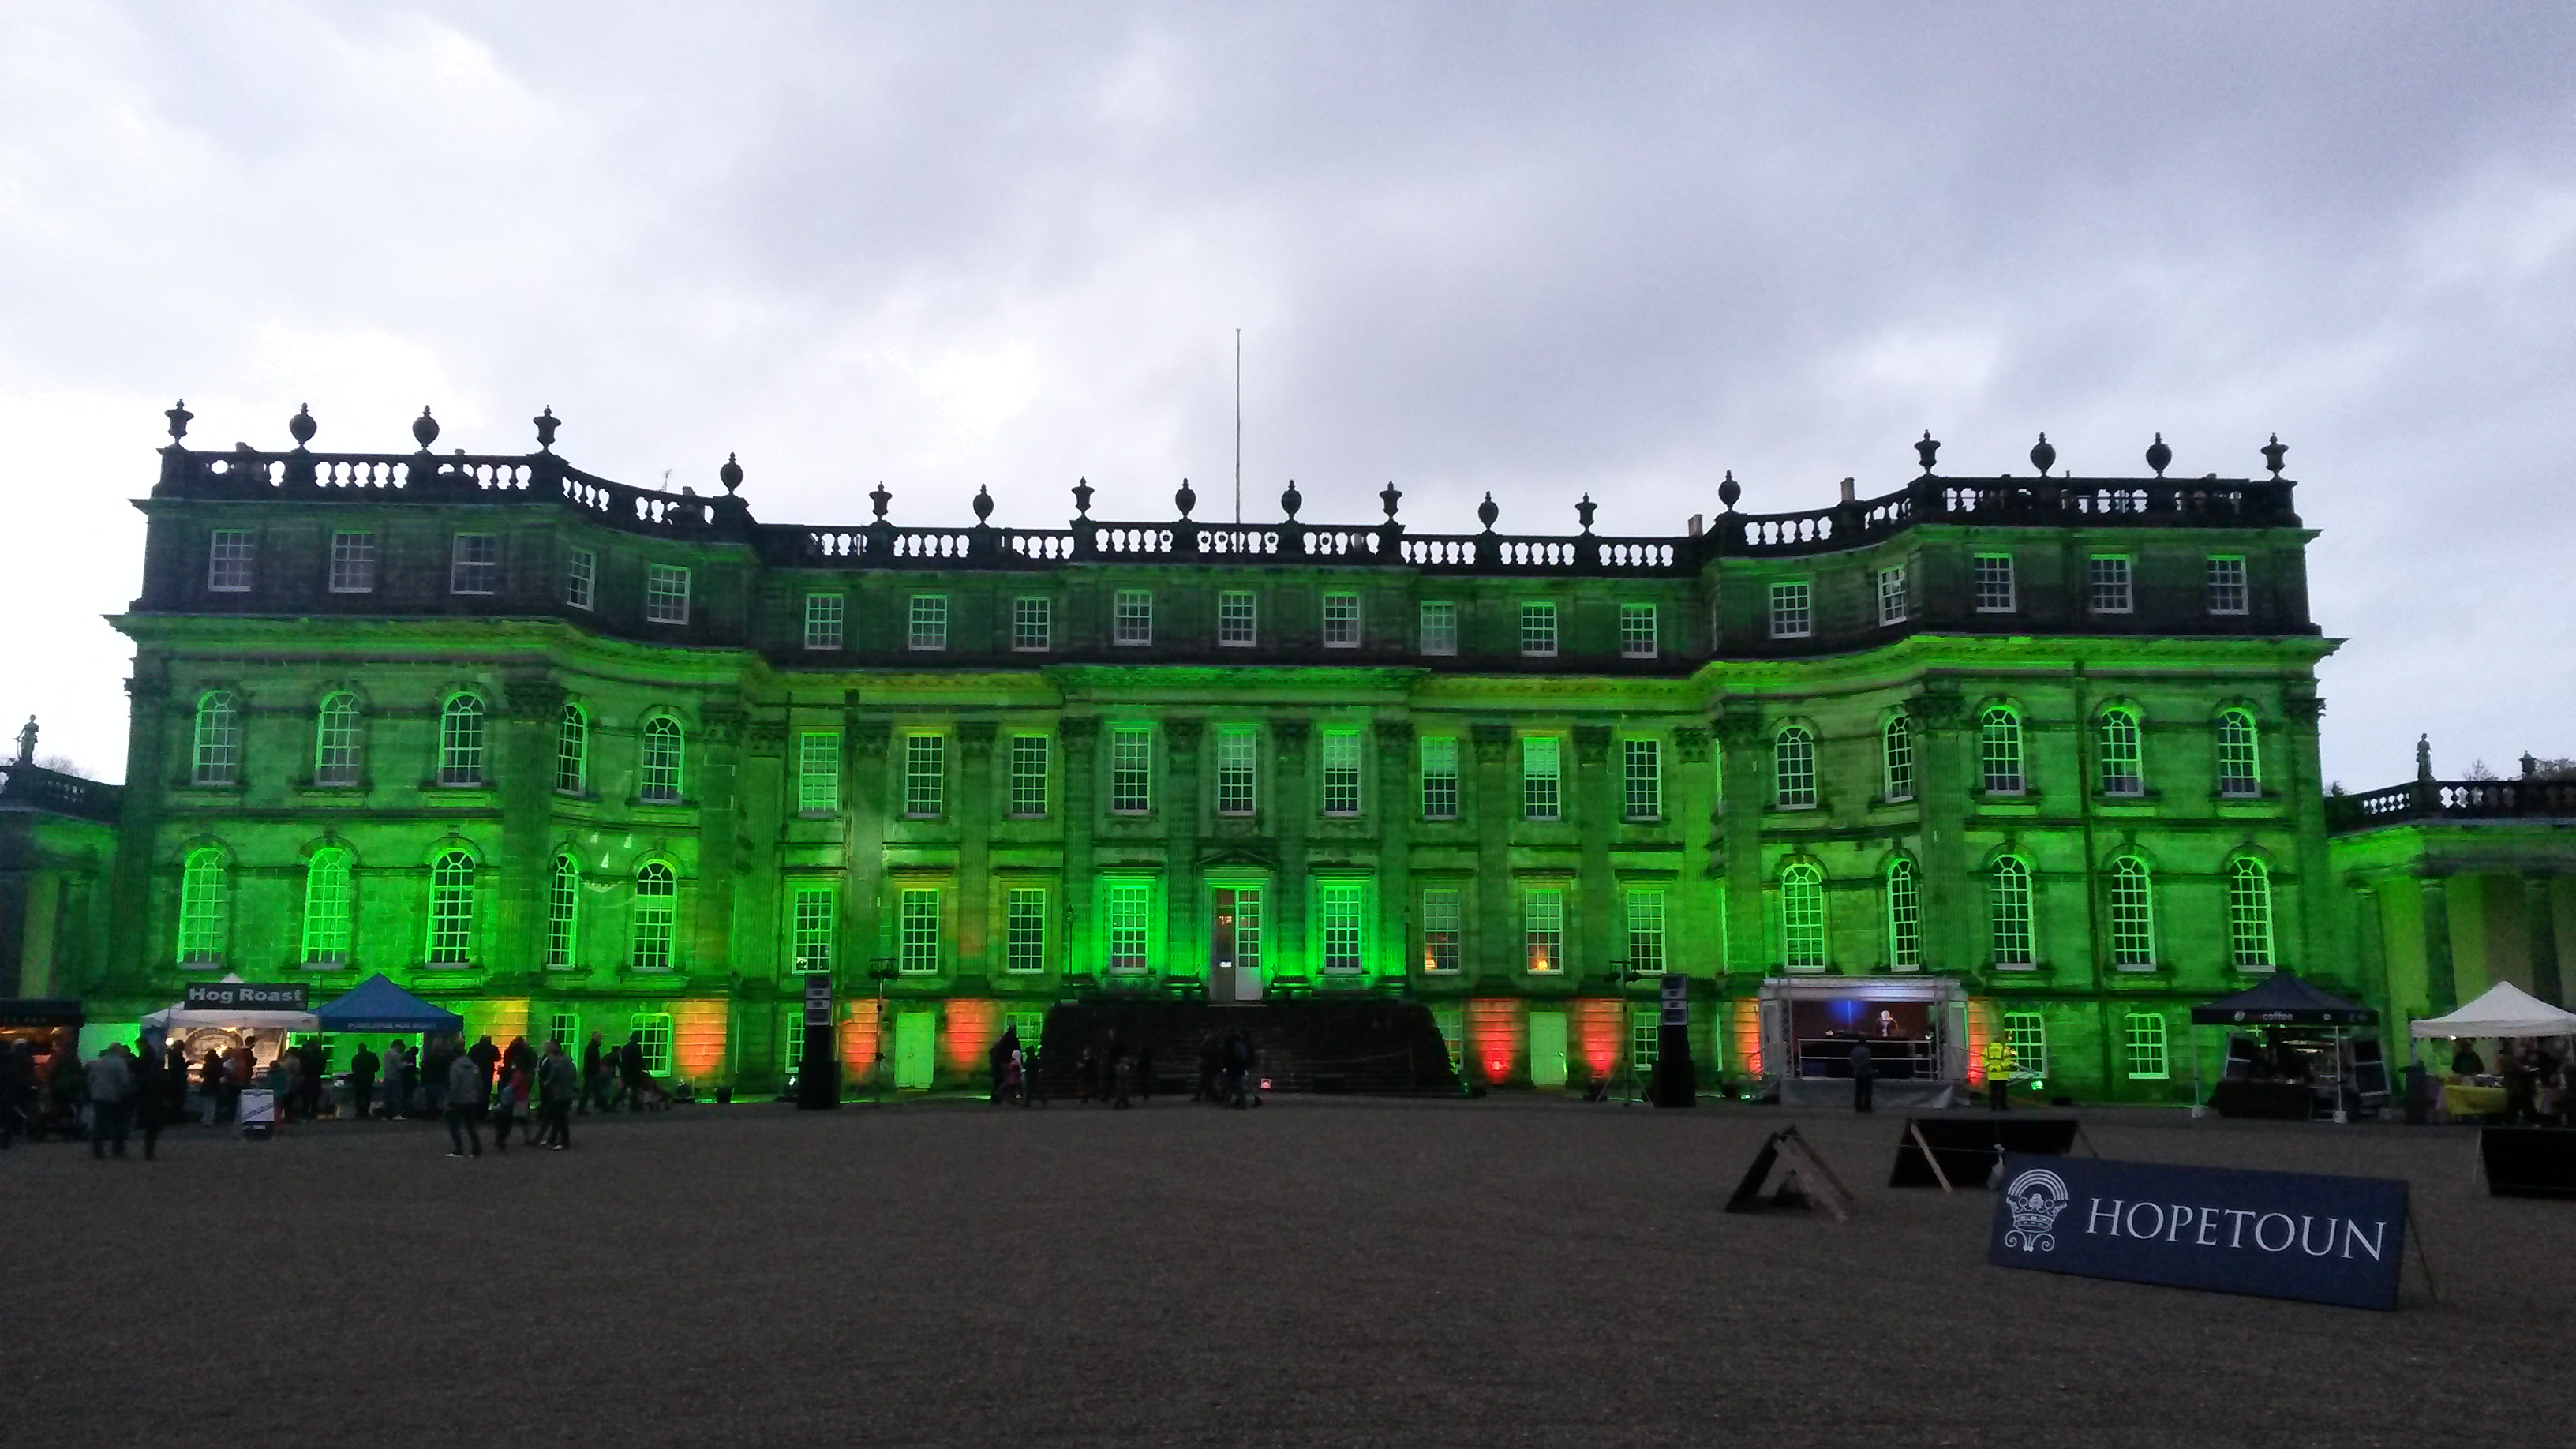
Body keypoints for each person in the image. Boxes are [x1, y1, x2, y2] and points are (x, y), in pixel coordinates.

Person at [86, 1044, 133, 1159]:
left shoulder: (99, 1062)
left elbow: (90, 1078)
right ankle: (117, 1150)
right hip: (114, 1097)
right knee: (118, 1124)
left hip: (98, 1096)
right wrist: (125, 1092)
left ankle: (97, 1150)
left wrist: (93, 1091)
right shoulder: (120, 1063)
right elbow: (124, 1081)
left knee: (99, 1123)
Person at [536, 1041, 576, 1149]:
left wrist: (544, 1082)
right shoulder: (568, 1065)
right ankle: (553, 1140)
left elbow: (548, 1082)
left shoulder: (557, 1067)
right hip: (565, 1094)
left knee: (560, 1119)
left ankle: (563, 1142)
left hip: (559, 1095)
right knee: (558, 1118)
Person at [443, 1050, 482, 1158]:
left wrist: (449, 1100)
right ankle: (476, 1149)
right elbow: (479, 1083)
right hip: (472, 1099)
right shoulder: (474, 1067)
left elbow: (454, 1086)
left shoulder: (455, 1068)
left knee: (454, 1125)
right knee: (471, 1126)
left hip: (459, 1100)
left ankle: (459, 1149)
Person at [490, 1061, 528, 1152]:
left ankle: (500, 1139)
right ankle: (527, 1137)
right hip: (519, 1099)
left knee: (508, 1122)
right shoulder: (521, 1075)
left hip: (514, 1100)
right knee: (519, 1121)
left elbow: (512, 1087)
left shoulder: (516, 1075)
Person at [1982, 1035, 2016, 1112]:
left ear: (1993, 1041)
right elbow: (2008, 1061)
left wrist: (1990, 1067)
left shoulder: (1987, 1050)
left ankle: (1993, 1107)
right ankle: (2003, 1106)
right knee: (2002, 1092)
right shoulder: (2004, 1050)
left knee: (1993, 1091)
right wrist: (1999, 1067)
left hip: (1992, 1075)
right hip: (2002, 1074)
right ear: (2000, 1042)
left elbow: (1983, 1060)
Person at [987, 1027, 1018, 1106]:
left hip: (1002, 1063)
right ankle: (1002, 1097)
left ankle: (1000, 1097)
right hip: (1008, 1063)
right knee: (1009, 1082)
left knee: (1002, 1081)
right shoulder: (1012, 1040)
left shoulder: (1003, 1040)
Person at [350, 1041, 379, 1122]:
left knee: (358, 1096)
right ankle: (366, 1110)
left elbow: (354, 1069)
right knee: (367, 1096)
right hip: (369, 1079)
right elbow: (377, 1067)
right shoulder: (372, 1056)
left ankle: (359, 1111)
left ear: (358, 1049)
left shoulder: (356, 1058)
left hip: (358, 1080)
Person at [581, 1032, 605, 1114]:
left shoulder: (593, 1047)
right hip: (591, 1072)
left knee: (597, 1091)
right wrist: (596, 1069)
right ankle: (581, 1108)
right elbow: (592, 1061)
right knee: (588, 1092)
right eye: (599, 1036)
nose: (601, 1038)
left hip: (592, 1072)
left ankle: (602, 1106)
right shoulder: (592, 1048)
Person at [1849, 1039, 1875, 1114]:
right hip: (1866, 1073)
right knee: (1867, 1091)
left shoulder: (1854, 1050)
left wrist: (1856, 1067)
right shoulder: (1867, 1051)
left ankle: (1858, 1106)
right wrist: (1861, 1067)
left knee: (1858, 1090)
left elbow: (1851, 1060)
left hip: (1857, 1073)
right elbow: (1867, 1061)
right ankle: (1867, 1107)